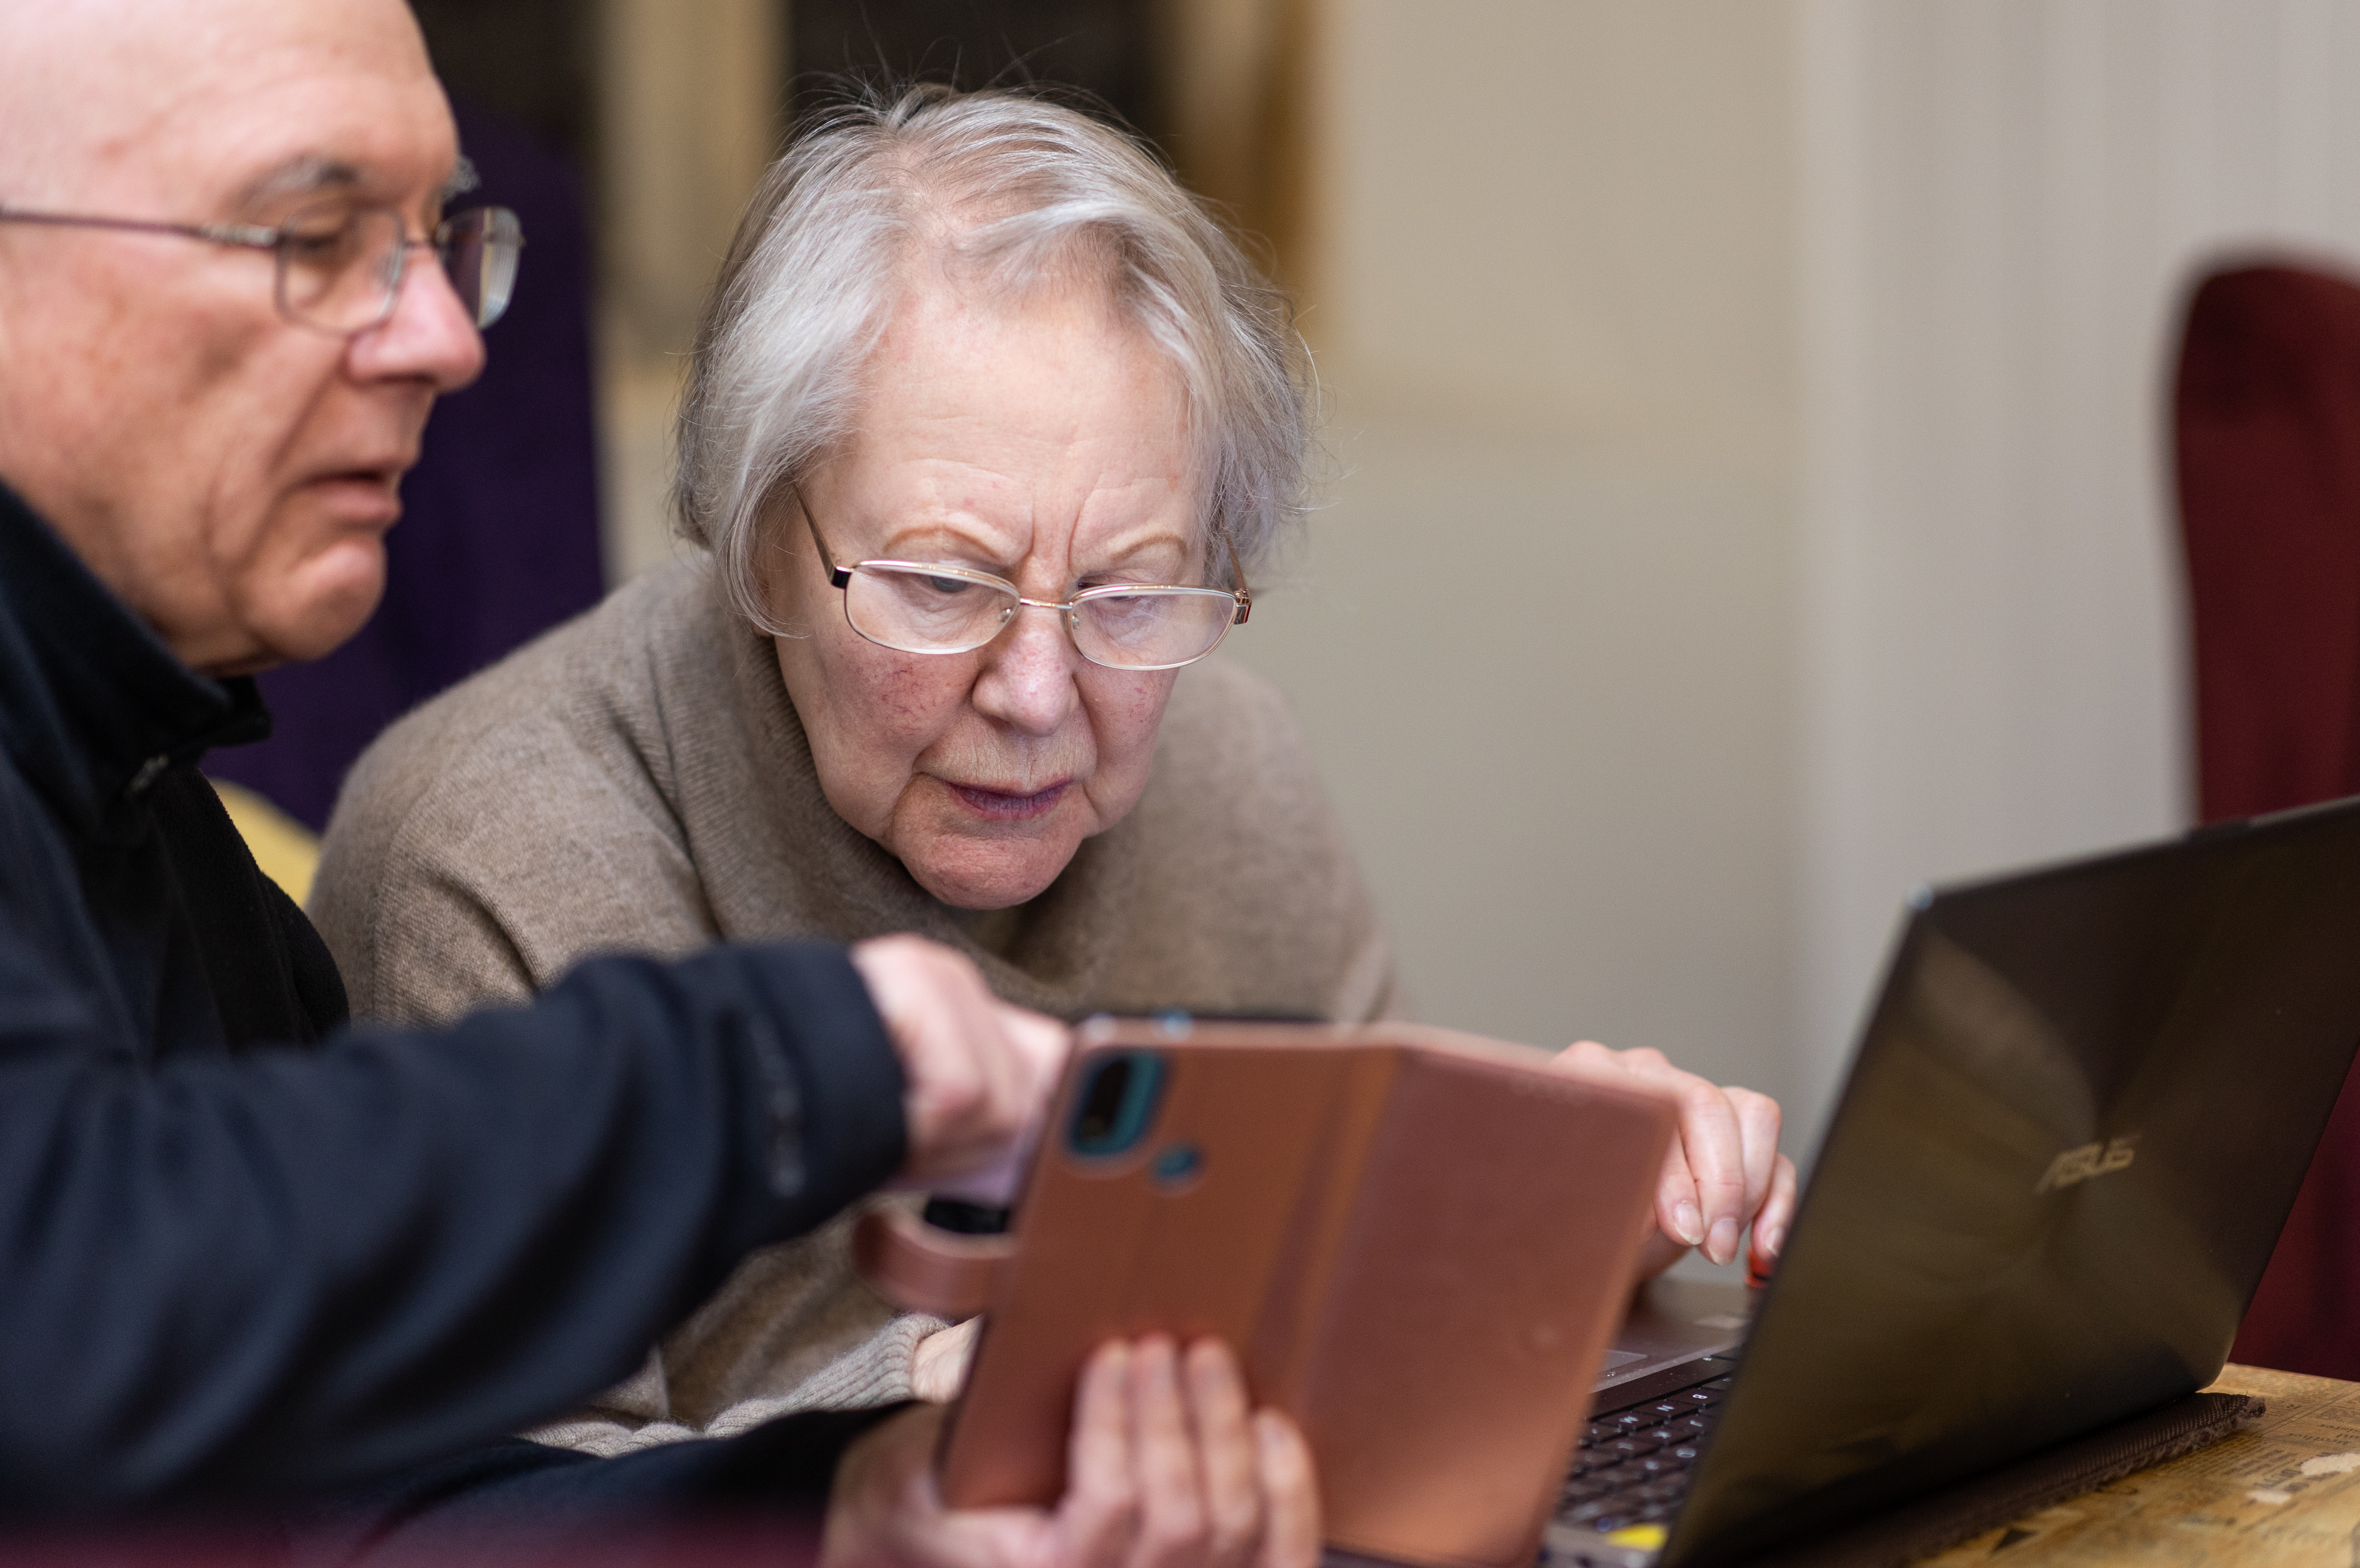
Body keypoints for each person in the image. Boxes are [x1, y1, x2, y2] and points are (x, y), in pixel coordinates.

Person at [0, 3, 1318, 1561]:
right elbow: (63, 1299)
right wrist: (803, 1057)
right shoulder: (456, 830)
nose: (448, 336)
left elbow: (346, 1518)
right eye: (312, 232)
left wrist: (858, 1512)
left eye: (434, 235)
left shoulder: (158, 824)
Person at [312, 85, 1802, 1442]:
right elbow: (507, 1513)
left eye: (1132, 588)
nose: (1040, 696)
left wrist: (1558, 1223)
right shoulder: (492, 856)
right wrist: (952, 1399)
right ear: (766, 539)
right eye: (947, 584)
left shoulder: (1230, 770)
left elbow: (1332, 1302)